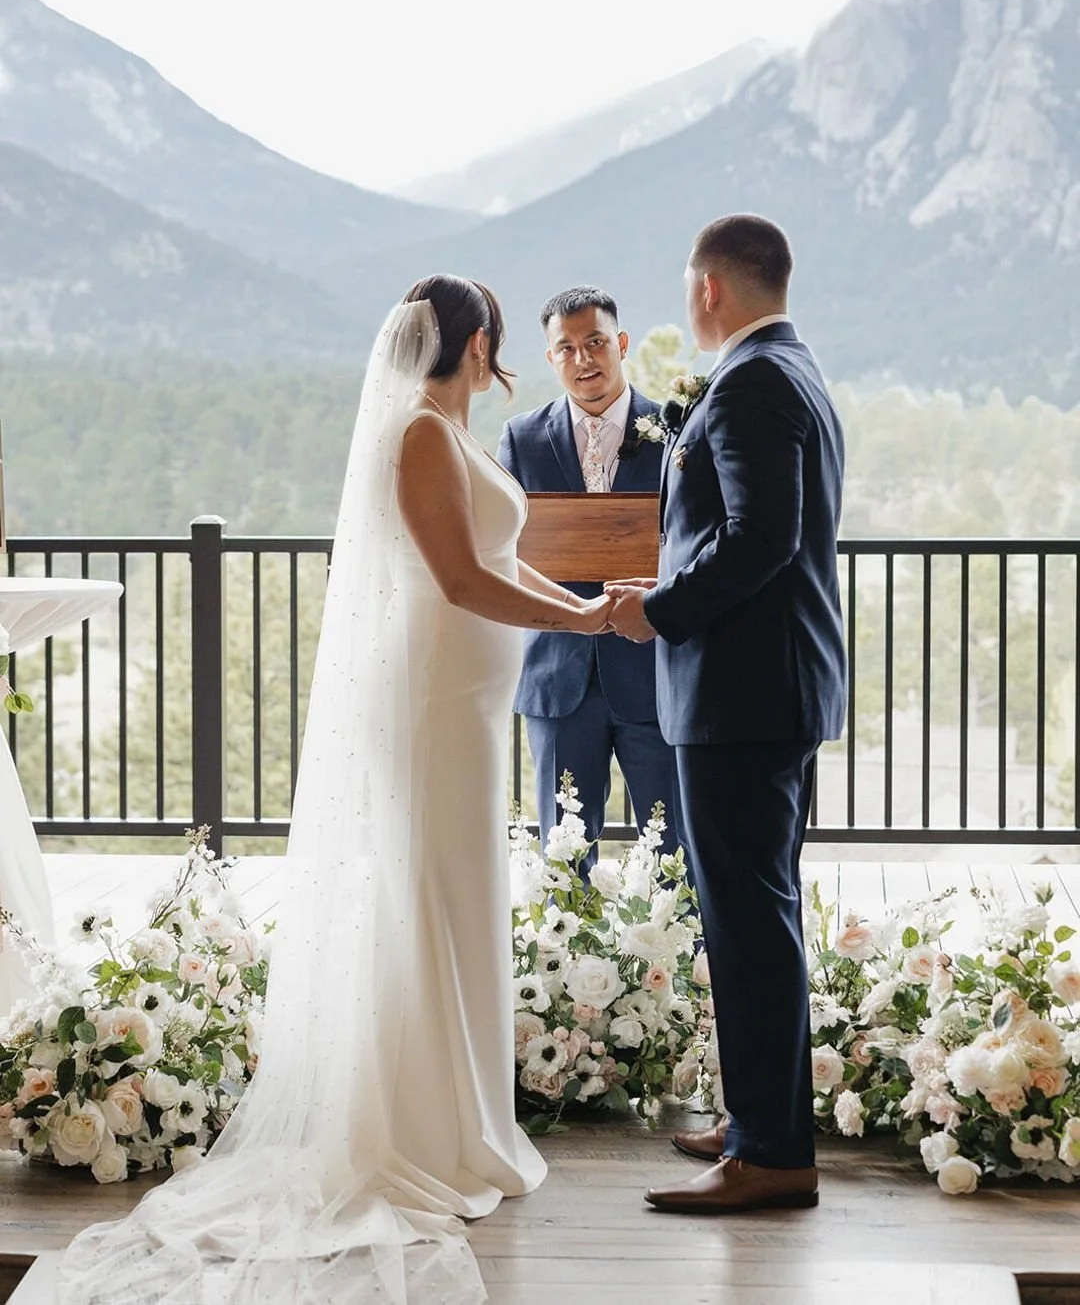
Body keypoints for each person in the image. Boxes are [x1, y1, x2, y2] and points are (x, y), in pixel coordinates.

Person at [58, 275, 612, 1303]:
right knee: (427, 898)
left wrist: (587, 605)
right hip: (433, 701)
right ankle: (416, 1132)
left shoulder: (449, 433)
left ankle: (469, 1126)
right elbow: (455, 579)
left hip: (471, 708)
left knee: (458, 893)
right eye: (499, 340)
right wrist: (583, 624)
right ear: (479, 340)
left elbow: (505, 558)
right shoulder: (417, 438)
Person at [607, 215, 846, 1214]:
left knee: (749, 923)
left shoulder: (750, 382)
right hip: (770, 689)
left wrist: (657, 610)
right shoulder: (798, 370)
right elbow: (744, 533)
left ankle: (774, 1154)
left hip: (743, 698)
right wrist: (663, 580)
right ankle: (759, 1121)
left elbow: (758, 541)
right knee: (757, 917)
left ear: (708, 289)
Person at [497, 287, 681, 869]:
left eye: (596, 342)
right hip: (558, 674)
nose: (584, 359)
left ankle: (679, 961)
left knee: (672, 848)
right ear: (551, 359)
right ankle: (570, 964)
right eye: (567, 348)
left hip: (654, 670)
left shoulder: (676, 429)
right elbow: (506, 550)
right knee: (564, 854)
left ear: (620, 344)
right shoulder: (521, 438)